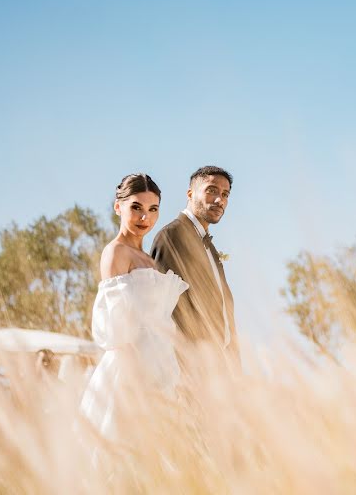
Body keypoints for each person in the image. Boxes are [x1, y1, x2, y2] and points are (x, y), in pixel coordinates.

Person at [79, 173, 188, 440]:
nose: (145, 218)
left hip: (161, 365)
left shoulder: (149, 261)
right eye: (136, 208)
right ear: (118, 207)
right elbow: (116, 330)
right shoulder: (116, 252)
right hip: (130, 372)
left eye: (153, 210)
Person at [151, 166, 240, 371]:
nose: (220, 200)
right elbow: (162, 310)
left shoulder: (209, 246)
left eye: (225, 194)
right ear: (190, 194)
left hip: (221, 369)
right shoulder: (172, 236)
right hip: (190, 368)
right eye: (211, 190)